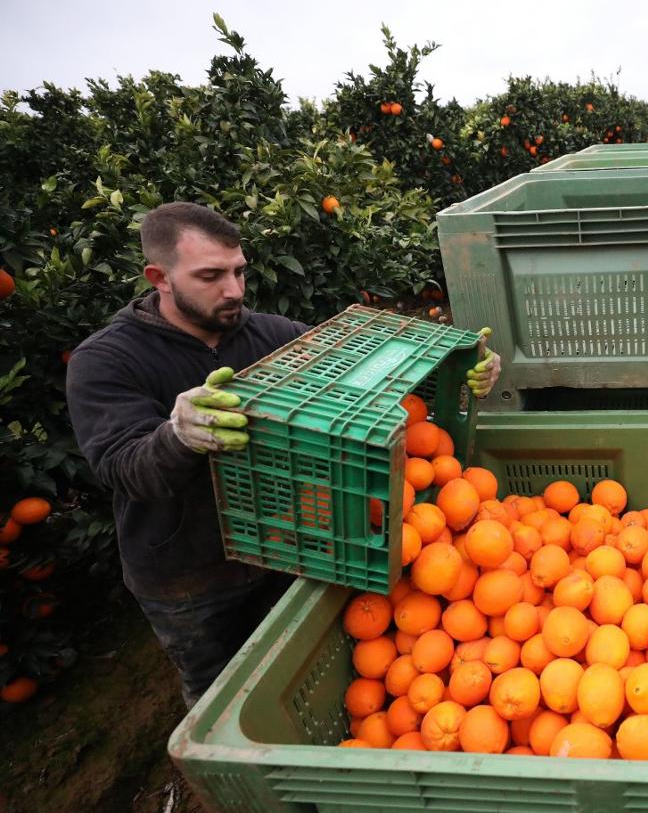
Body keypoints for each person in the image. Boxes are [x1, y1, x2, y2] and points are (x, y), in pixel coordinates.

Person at [65, 202, 500, 708]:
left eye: (238, 271)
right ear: (159, 278)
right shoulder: (107, 360)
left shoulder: (275, 337)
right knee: (219, 694)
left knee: (300, 678)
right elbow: (122, 467)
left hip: (291, 545)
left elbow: (369, 387)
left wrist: (462, 374)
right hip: (190, 572)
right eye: (210, 276)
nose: (233, 290)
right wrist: (176, 434)